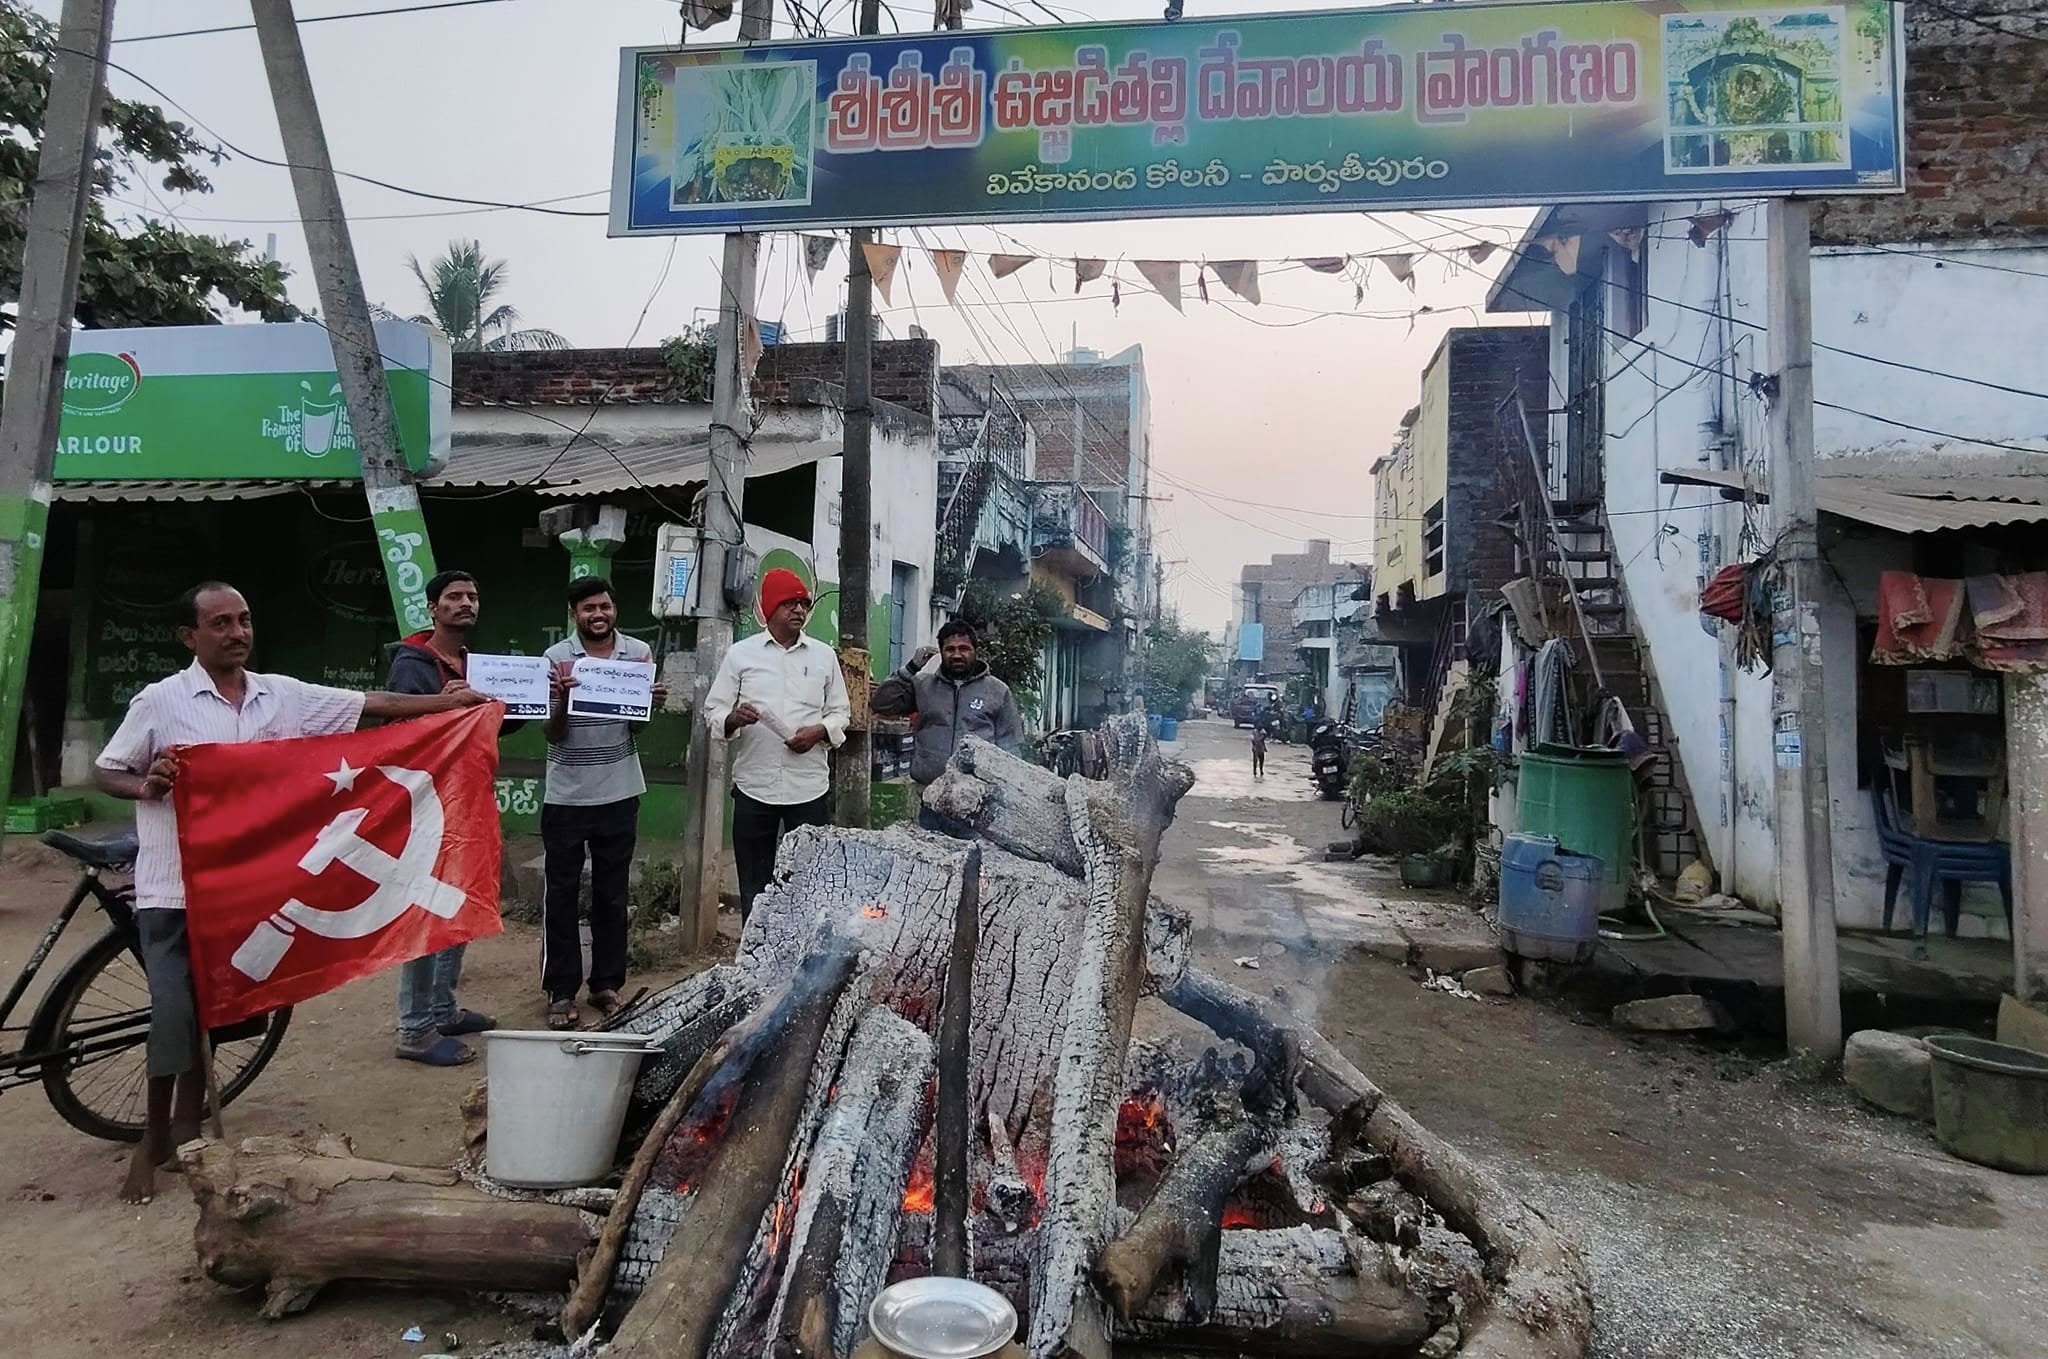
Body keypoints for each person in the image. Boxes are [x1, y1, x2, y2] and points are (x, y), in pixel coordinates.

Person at [95, 581, 490, 1203]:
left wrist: (450, 706)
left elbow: (374, 704)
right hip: (174, 888)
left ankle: (187, 1130)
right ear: (189, 636)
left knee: (212, 1010)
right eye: (221, 623)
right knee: (173, 1012)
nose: (237, 633)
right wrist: (148, 784)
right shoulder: (160, 701)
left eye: (244, 620)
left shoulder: (281, 696)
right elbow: (107, 770)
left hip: (247, 890)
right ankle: (152, 1137)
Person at [384, 569, 500, 1066]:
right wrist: (451, 706)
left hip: (469, 798)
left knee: (459, 905)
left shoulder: (477, 664)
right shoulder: (412, 665)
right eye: (454, 597)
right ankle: (415, 1028)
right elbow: (403, 728)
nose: (465, 603)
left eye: (472, 596)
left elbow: (496, 725)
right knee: (427, 911)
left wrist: (532, 701)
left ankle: (442, 1009)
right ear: (433, 608)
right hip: (428, 806)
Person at [541, 576, 665, 1029]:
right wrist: (563, 700)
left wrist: (648, 704)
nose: (598, 615)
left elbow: (637, 728)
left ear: (615, 610)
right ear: (574, 614)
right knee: (561, 895)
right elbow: (551, 733)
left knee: (612, 895)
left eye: (605, 607)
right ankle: (560, 991)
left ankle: (607, 984)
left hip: (619, 791)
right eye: (589, 608)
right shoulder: (555, 658)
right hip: (566, 796)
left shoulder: (638, 654)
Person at [703, 568, 850, 919]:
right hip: (755, 786)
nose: (799, 610)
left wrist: (819, 731)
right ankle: (755, 946)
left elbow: (840, 712)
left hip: (808, 787)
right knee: (754, 883)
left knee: (809, 880)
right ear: (770, 609)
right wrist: (734, 718)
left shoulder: (823, 656)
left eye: (803, 604)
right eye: (789, 603)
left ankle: (802, 948)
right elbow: (713, 711)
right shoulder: (741, 655)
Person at [869, 618, 1025, 794]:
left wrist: (1008, 791)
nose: (957, 655)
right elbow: (881, 703)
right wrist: (910, 669)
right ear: (941, 652)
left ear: (976, 651)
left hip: (978, 795)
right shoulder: (923, 686)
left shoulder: (997, 691)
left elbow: (1011, 747)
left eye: (964, 649)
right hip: (928, 791)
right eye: (950, 649)